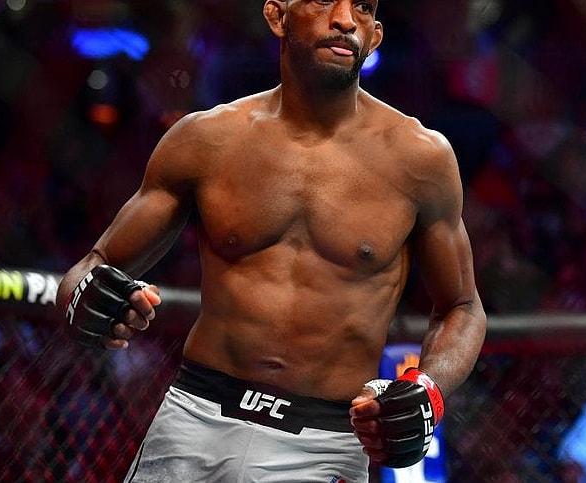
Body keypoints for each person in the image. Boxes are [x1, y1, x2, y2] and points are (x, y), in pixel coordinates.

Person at [56, 1, 487, 481]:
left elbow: (462, 307)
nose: (346, 19)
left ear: (376, 36)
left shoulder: (420, 159)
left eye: (363, 8)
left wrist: (429, 388)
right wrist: (84, 298)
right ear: (277, 17)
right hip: (195, 418)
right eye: (324, 1)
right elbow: (93, 266)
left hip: (325, 440)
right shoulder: (206, 140)